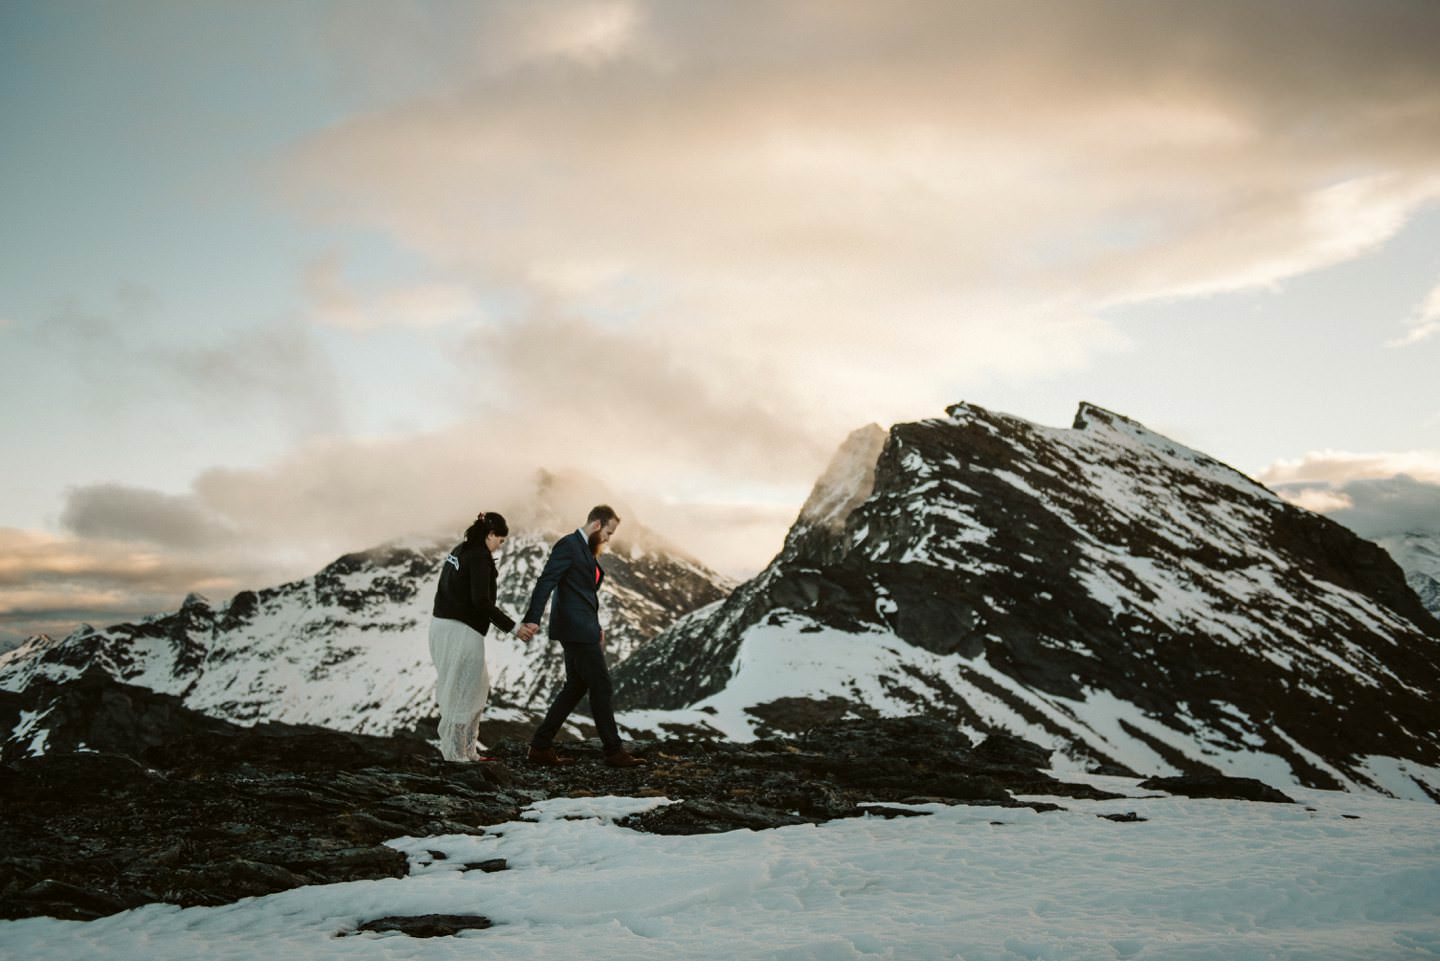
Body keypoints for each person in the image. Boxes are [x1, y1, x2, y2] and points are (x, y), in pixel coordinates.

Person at [518, 504, 647, 768]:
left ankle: (540, 747)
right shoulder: (569, 545)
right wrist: (533, 617)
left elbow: (584, 595)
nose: (609, 539)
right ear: (597, 525)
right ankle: (614, 751)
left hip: (583, 627)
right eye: (609, 533)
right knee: (601, 685)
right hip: (574, 629)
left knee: (576, 687)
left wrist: (595, 626)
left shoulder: (586, 550)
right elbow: (546, 581)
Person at [429, 511, 517, 762]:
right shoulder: (479, 556)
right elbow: (481, 601)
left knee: (467, 686)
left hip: (441, 627)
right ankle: (458, 755)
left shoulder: (461, 550)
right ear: (490, 535)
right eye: (500, 540)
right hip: (461, 630)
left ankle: (465, 751)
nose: (500, 546)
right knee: (467, 690)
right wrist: (512, 627)